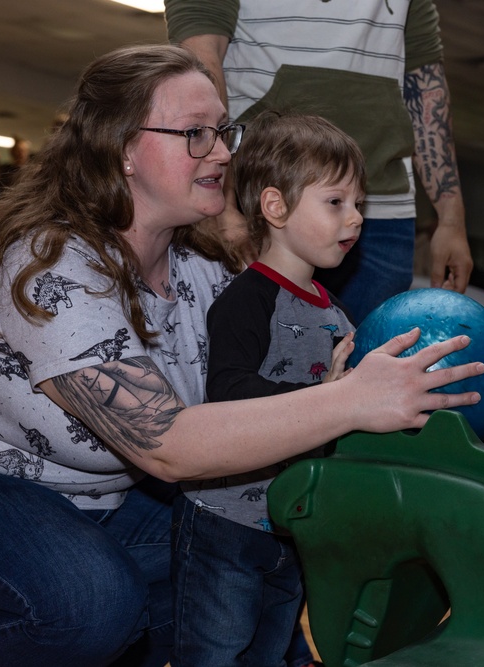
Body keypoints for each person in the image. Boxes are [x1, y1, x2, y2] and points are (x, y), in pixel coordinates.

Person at [0, 45, 484, 666]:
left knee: (239, 569)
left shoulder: (206, 274)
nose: (224, 152)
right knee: (88, 604)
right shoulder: (52, 268)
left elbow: (301, 394)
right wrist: (352, 396)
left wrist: (453, 392)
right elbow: (169, 443)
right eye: (194, 134)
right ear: (121, 150)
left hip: (93, 501)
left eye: (223, 131)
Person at [170, 111, 362, 667]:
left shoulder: (338, 317)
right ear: (275, 207)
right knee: (213, 654)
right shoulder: (246, 300)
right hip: (222, 523)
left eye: (358, 205)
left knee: (270, 654)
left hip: (292, 527)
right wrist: (326, 399)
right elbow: (229, 391)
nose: (355, 219)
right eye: (336, 202)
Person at [164, 0, 474, 324]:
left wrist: (451, 219)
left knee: (370, 363)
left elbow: (424, 83)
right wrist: (223, 203)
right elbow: (200, 59)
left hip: (383, 209)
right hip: (266, 203)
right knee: (254, 359)